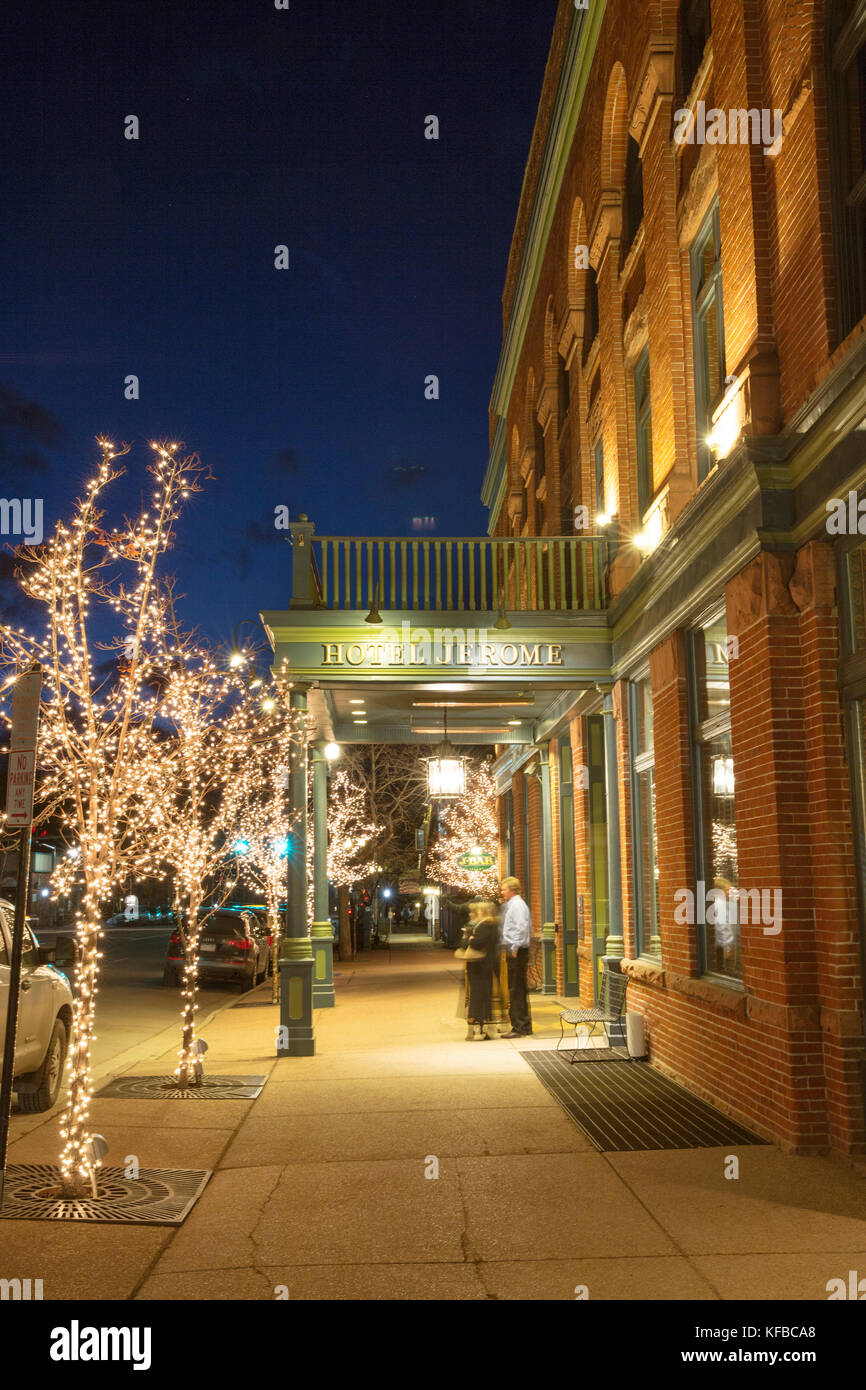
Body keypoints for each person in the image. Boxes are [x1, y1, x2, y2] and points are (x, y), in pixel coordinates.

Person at [455, 900, 500, 1040]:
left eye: (477, 911)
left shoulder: (484, 925)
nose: (473, 914)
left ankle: (477, 1025)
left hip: (479, 965)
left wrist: (469, 937)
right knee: (484, 995)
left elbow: (475, 943)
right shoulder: (490, 925)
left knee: (477, 995)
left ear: (483, 912)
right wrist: (471, 937)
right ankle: (484, 1026)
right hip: (486, 965)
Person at [500, 876, 532, 1037]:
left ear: (512, 890)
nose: (502, 892)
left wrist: (514, 947)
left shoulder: (517, 905)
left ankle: (520, 1027)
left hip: (517, 952)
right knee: (516, 988)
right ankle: (521, 1026)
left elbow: (521, 927)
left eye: (504, 889)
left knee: (516, 989)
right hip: (515, 949)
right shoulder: (513, 904)